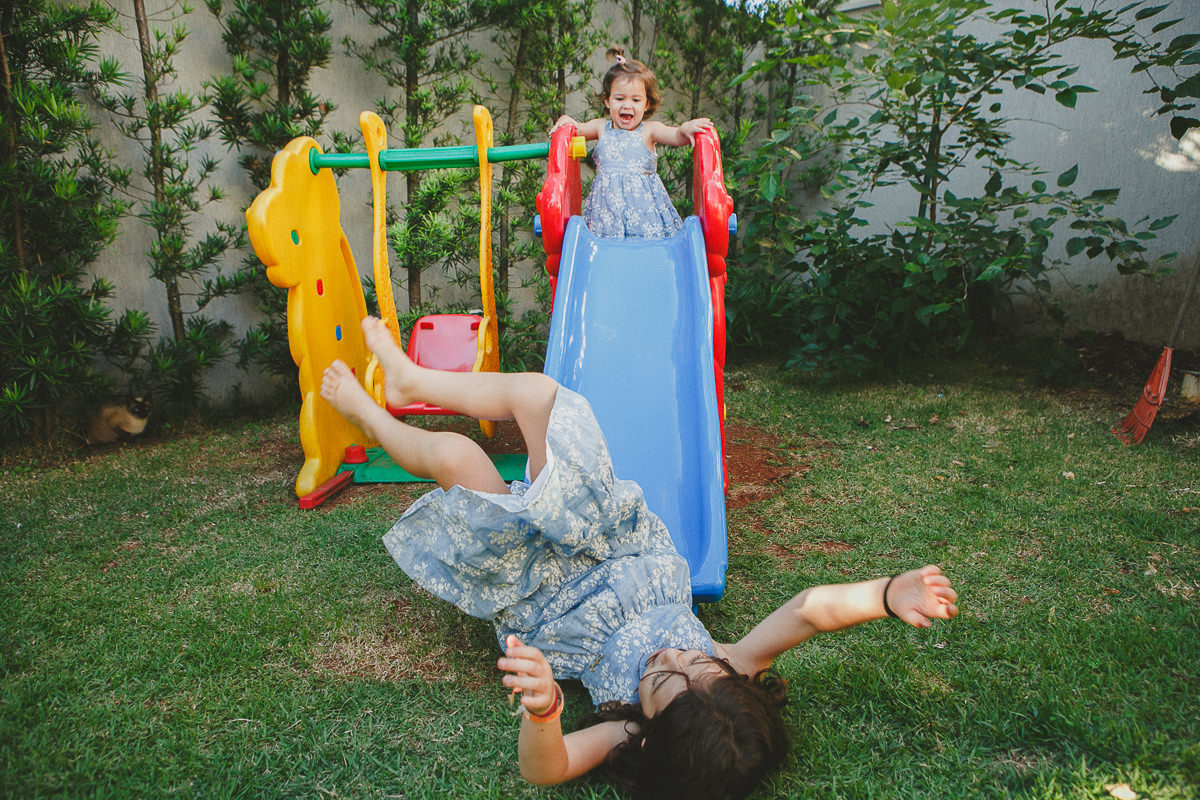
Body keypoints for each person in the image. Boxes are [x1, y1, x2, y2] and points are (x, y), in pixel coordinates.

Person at [320, 316, 960, 800]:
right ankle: (412, 379)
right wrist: (884, 593)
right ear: (732, 680)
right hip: (601, 537)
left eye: (662, 679)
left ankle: (371, 417)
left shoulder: (626, 730)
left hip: (541, 585)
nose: (673, 658)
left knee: (459, 461)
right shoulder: (729, 665)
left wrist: (545, 710)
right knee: (541, 397)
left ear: (650, 734)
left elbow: (548, 770)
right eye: (693, 662)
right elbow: (811, 611)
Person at [552, 47, 715, 239]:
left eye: (636, 100)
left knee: (648, 250)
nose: (627, 105)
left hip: (645, 218)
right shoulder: (600, 128)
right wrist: (565, 121)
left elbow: (676, 135)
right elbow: (575, 130)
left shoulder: (649, 130)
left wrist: (686, 128)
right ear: (607, 100)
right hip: (607, 216)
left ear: (646, 104)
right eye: (619, 98)